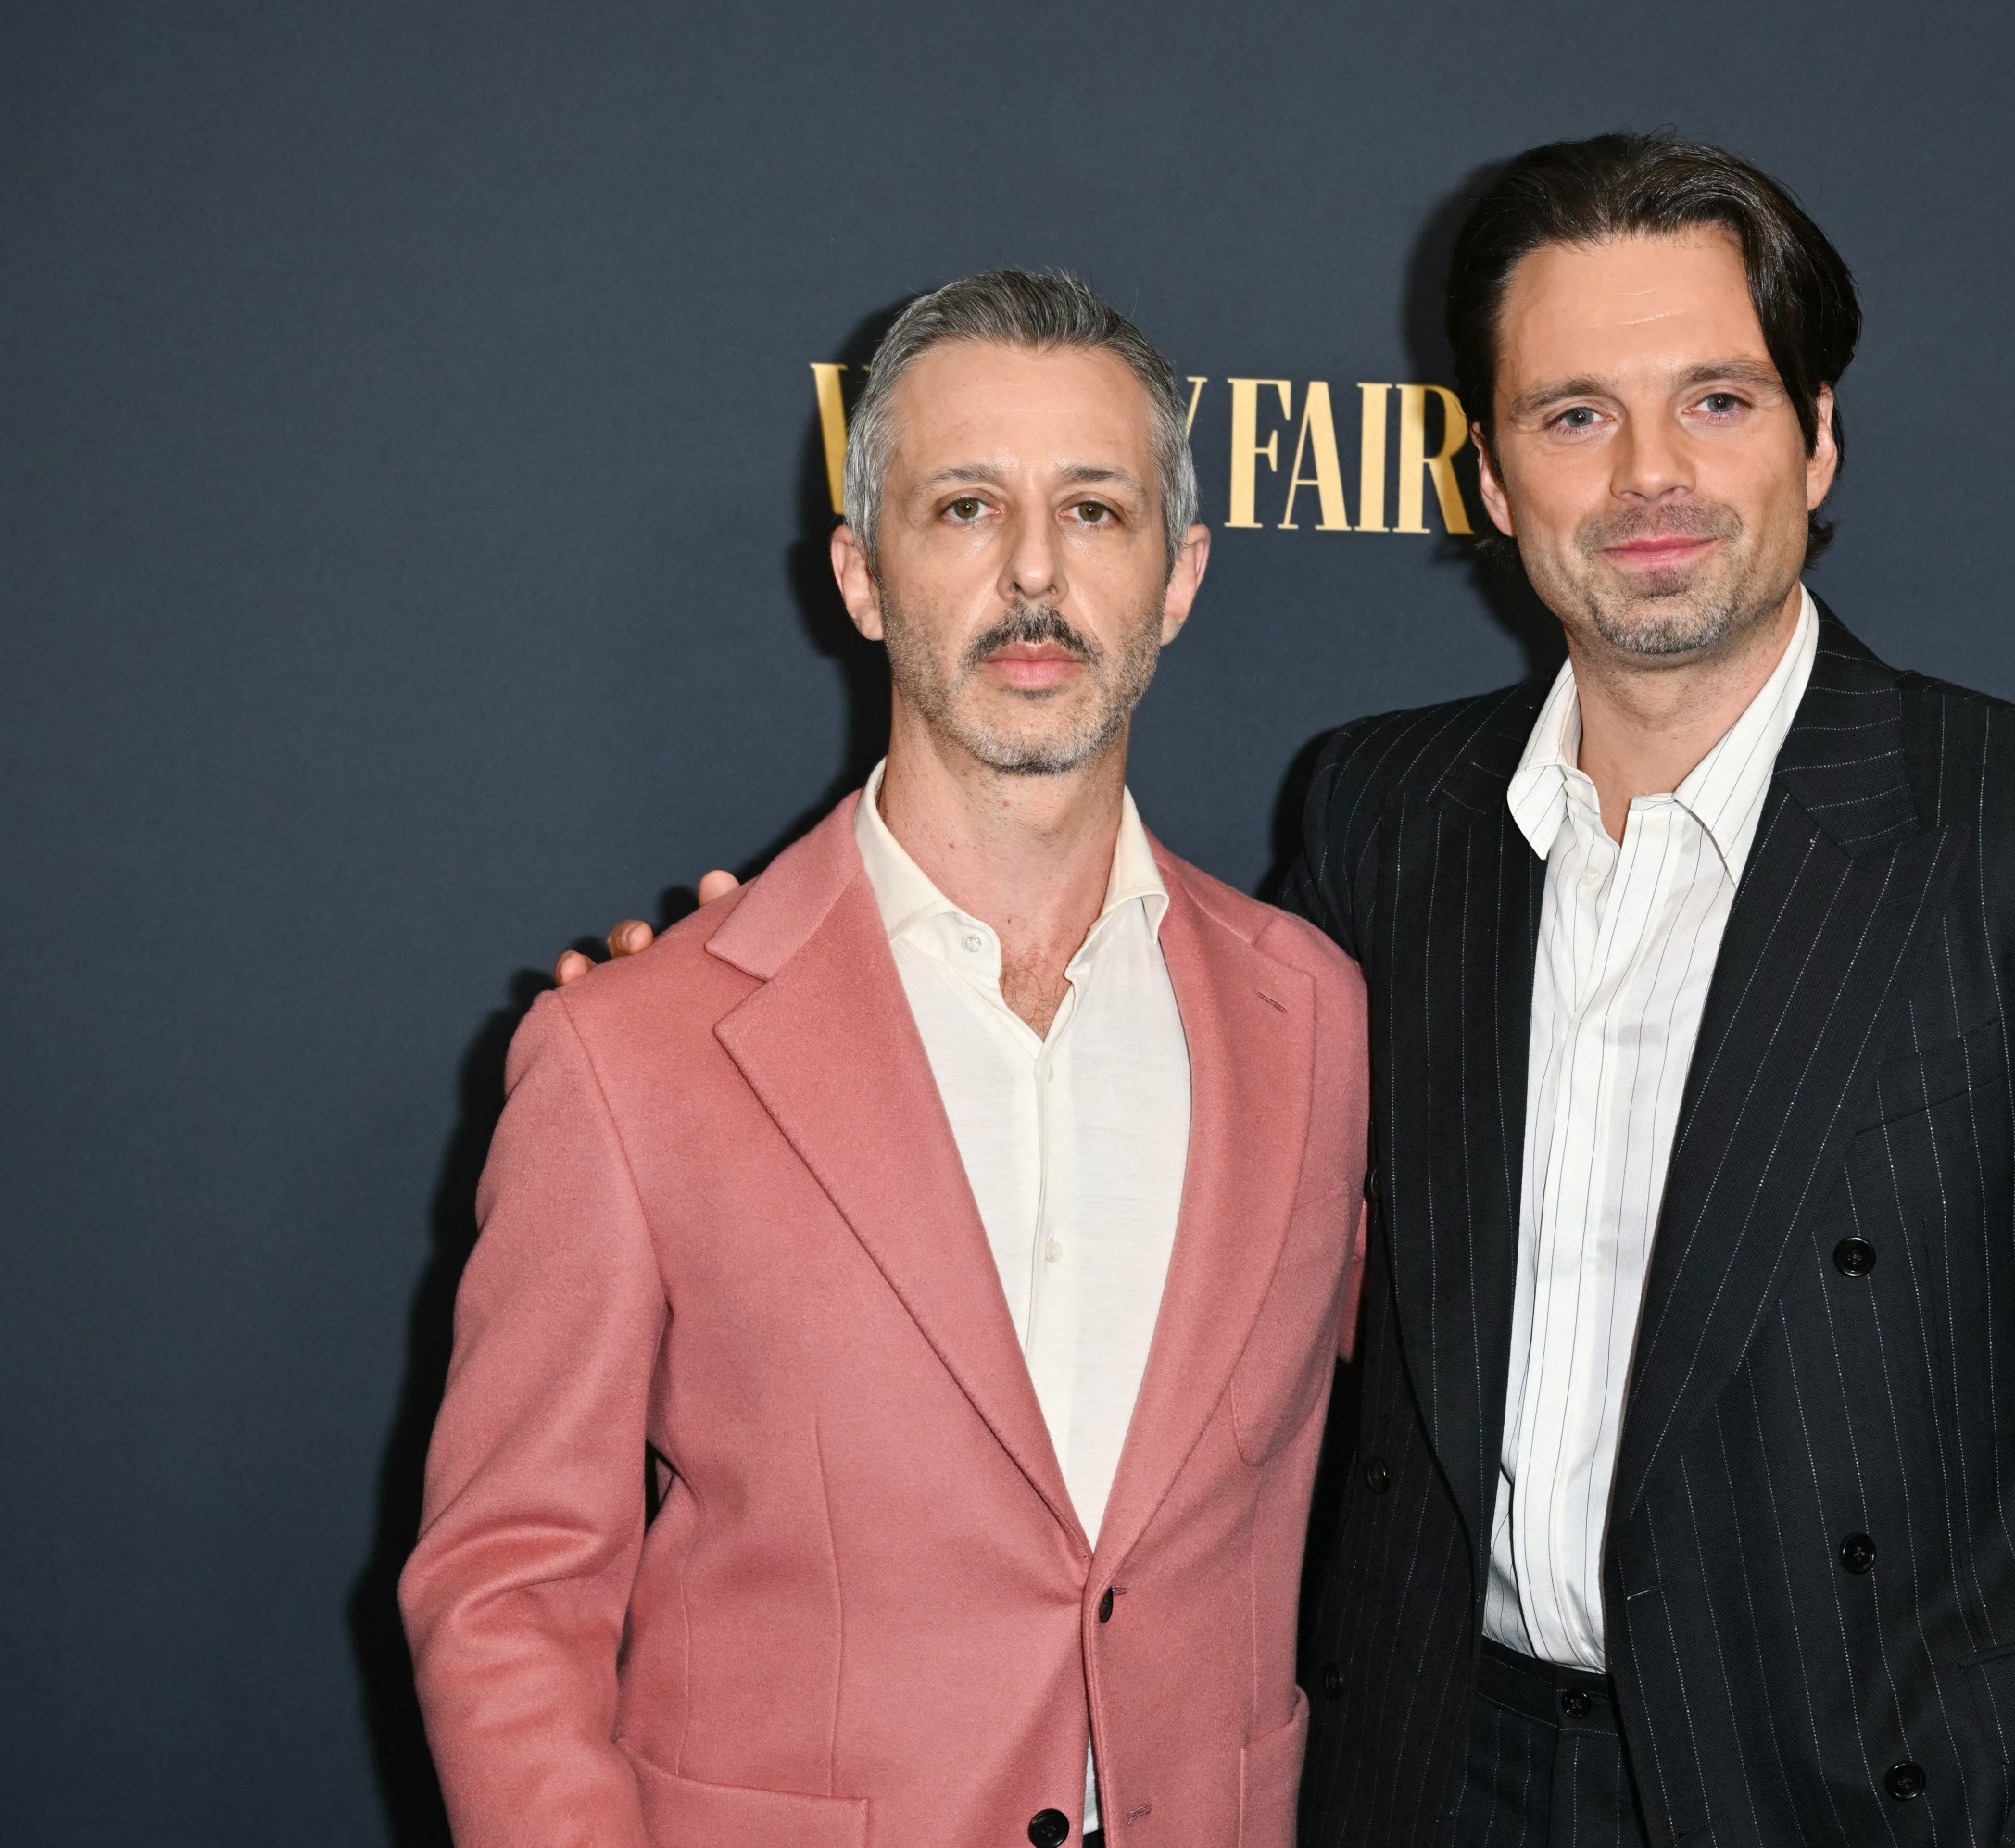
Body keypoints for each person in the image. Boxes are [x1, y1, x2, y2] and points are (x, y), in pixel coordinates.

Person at [1277, 136, 2015, 1847]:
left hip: (1844, 1797)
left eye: (1716, 400)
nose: (1652, 473)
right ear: (1490, 477)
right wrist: (880, 955)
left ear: (1819, 440)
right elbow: (1195, 1172)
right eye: (1575, 414)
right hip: (1433, 1779)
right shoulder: (1379, 812)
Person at [403, 270, 1368, 1848]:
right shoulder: (631, 1052)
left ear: (1182, 577)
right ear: (861, 577)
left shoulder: (1319, 1020)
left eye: (1099, 513)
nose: (1038, 574)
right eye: (967, 509)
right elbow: (509, 1590)